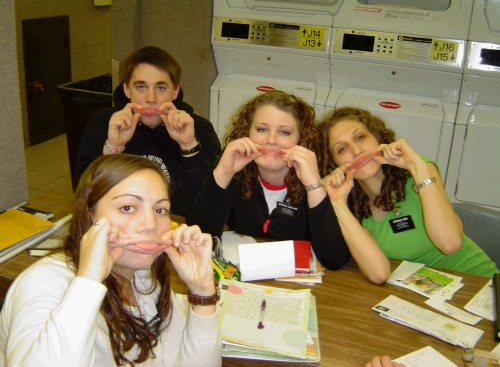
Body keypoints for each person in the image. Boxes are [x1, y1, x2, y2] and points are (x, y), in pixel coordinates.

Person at [0, 154, 222, 366]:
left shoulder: (146, 276)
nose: (151, 224)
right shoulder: (44, 282)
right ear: (90, 216)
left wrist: (202, 292)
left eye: (160, 209)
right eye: (127, 208)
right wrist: (89, 280)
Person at [319, 107, 498, 283]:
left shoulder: (419, 171)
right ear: (334, 164)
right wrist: (337, 202)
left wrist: (415, 166)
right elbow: (379, 273)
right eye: (342, 149)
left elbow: (449, 243)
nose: (356, 150)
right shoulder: (355, 207)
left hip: (479, 285)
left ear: (378, 138)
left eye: (360, 137)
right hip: (427, 296)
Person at [187, 90, 350, 271]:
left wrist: (314, 185)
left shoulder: (320, 176)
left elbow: (334, 259)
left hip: (296, 284)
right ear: (246, 132)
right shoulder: (235, 170)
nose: (271, 140)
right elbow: (196, 238)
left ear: (301, 139)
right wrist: (223, 174)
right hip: (242, 279)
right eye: (262, 129)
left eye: (284, 132)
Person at [75, 46, 221, 216]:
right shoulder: (103, 124)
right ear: (127, 89)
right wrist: (113, 150)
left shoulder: (200, 129)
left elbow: (210, 207)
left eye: (160, 88)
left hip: (177, 228)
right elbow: (84, 198)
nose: (150, 99)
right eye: (141, 87)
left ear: (175, 91)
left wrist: (189, 148)